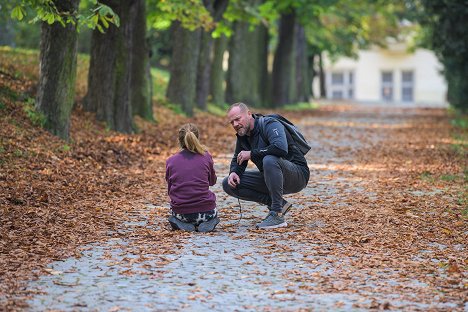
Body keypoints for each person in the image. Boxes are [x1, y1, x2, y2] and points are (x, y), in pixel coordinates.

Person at [222, 103, 309, 229]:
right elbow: (238, 158)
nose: (235, 124)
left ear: (249, 114)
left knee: (269, 160)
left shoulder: (270, 124)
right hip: (272, 177)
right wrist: (234, 172)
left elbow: (280, 148)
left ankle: (277, 215)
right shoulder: (243, 135)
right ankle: (279, 204)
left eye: (237, 119)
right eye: (232, 122)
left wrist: (252, 153)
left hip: (297, 175)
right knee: (228, 184)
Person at [165, 123, 219, 232]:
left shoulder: (171, 161)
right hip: (207, 212)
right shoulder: (206, 156)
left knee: (175, 216)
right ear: (197, 138)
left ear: (180, 140)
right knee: (212, 214)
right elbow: (212, 182)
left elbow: (170, 188)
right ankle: (208, 222)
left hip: (182, 213)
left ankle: (181, 223)